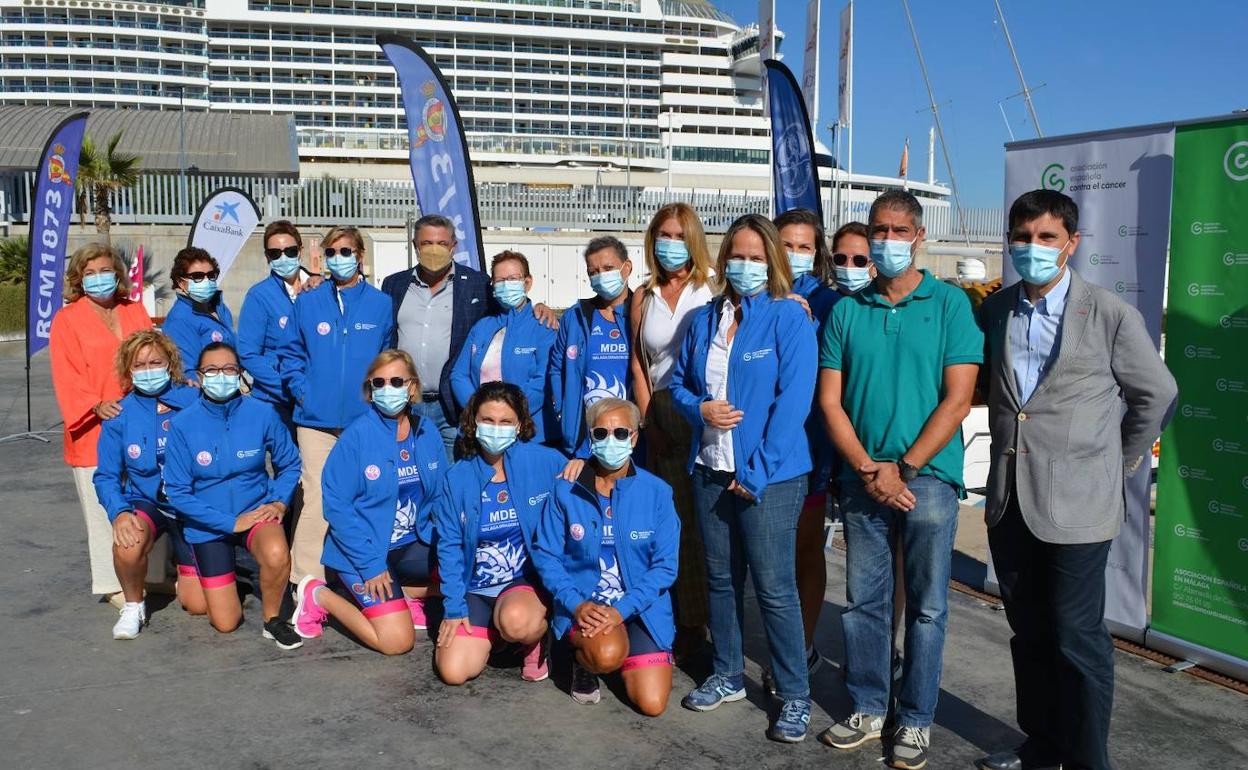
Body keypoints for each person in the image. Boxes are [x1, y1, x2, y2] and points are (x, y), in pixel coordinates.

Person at [975, 191, 1176, 770]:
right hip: (1010, 498)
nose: (1032, 248)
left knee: (1077, 638)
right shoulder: (996, 309)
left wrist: (1118, 460)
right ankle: (1041, 745)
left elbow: (1156, 394)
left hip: (1080, 506)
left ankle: (1089, 760)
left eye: (1045, 237)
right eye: (1022, 237)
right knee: (1029, 633)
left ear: (1072, 243)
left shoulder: (1109, 312)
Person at [816, 190, 982, 769]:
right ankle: (867, 704)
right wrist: (867, 467)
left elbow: (958, 399)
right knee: (864, 601)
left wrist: (904, 467)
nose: (887, 241)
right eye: (878, 230)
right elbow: (831, 402)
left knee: (929, 606)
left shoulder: (951, 304)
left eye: (898, 230)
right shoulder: (846, 310)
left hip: (926, 476)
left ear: (919, 236)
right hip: (863, 474)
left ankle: (915, 717)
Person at [669, 214, 817, 743]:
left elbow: (792, 404)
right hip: (711, 467)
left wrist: (754, 474)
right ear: (723, 258)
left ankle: (795, 694)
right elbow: (681, 387)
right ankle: (728, 673)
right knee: (720, 579)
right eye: (738, 255)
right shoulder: (706, 318)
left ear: (772, 261)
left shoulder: (787, 317)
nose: (746, 265)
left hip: (769, 477)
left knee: (775, 589)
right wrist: (701, 409)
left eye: (757, 257)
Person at [291, 350, 449, 653]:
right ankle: (318, 595)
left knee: (470, 572)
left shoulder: (427, 432)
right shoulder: (355, 438)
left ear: (413, 387)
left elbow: (441, 495)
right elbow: (337, 508)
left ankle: (406, 596)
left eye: (397, 381)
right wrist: (372, 566)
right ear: (370, 389)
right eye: (380, 382)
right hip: (364, 552)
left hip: (411, 545)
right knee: (397, 642)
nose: (388, 389)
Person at [531, 397, 680, 716]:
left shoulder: (658, 492)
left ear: (636, 436)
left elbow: (665, 567)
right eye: (600, 434)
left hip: (639, 607)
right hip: (586, 605)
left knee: (652, 704)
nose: (610, 441)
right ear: (589, 437)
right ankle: (582, 658)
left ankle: (629, 644)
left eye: (621, 433)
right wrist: (575, 603)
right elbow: (546, 554)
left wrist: (621, 611)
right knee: (606, 655)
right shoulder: (565, 490)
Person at [279, 226, 395, 599]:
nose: (339, 258)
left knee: (363, 497)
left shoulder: (379, 304)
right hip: (315, 421)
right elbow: (292, 355)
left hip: (364, 420)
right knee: (316, 497)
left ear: (360, 255)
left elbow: (387, 358)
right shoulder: (309, 301)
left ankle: (359, 572)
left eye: (346, 251)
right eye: (331, 252)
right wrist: (303, 392)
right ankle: (304, 581)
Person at [382, 215, 557, 459]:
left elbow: (542, 376)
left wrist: (539, 306)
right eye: (426, 243)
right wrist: (477, 408)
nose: (434, 249)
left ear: (454, 246)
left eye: (442, 243)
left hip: (453, 411)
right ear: (415, 246)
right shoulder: (394, 285)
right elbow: (460, 372)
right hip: (408, 401)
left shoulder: (476, 285)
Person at [164, 342, 302, 648]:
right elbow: (177, 491)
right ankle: (191, 572)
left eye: (229, 369)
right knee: (224, 622)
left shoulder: (262, 413)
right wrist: (230, 523)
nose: (221, 376)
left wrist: (279, 500)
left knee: (278, 553)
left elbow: (290, 464)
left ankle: (273, 620)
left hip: (255, 511)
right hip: (208, 524)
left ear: (240, 374)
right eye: (212, 370)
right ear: (199, 377)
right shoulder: (183, 424)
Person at [432, 381, 566, 685]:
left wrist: (580, 463)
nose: (496, 428)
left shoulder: (544, 461)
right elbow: (450, 546)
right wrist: (453, 608)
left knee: (517, 623)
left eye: (505, 421)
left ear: (519, 425)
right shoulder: (457, 477)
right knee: (454, 673)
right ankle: (495, 633)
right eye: (488, 420)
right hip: (475, 589)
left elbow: (579, 481)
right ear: (473, 422)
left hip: (521, 585)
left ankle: (531, 641)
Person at [627, 203, 715, 660]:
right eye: (662, 234)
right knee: (675, 522)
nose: (669, 244)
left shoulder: (714, 286)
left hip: (708, 410)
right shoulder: (643, 295)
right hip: (663, 412)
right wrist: (648, 420)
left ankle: (714, 618)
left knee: (710, 523)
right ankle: (686, 622)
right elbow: (639, 364)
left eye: (679, 235)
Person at [50, 243, 160, 605]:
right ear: (79, 279)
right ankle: (112, 582)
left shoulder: (134, 311)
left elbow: (153, 355)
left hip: (140, 419)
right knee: (103, 507)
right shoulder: (67, 319)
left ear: (118, 274)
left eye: (105, 271)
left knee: (148, 496)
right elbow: (66, 375)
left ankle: (154, 573)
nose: (99, 279)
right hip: (94, 427)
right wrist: (94, 405)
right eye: (90, 273)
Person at [93, 330, 204, 639]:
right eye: (139, 365)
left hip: (191, 506)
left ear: (170, 363)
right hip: (149, 502)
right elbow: (106, 476)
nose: (148, 370)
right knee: (127, 544)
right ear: (128, 370)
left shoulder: (195, 399)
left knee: (198, 605)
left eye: (155, 362)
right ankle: (133, 605)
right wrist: (119, 513)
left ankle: (188, 575)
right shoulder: (118, 414)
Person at [449, 250, 558, 443]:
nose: (506, 285)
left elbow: (543, 380)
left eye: (513, 278)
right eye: (500, 280)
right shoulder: (482, 326)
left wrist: (509, 412)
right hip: (481, 429)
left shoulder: (543, 326)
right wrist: (479, 410)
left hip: (528, 432)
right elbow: (459, 374)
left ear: (528, 282)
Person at [550, 235, 634, 457]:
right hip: (586, 437)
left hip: (633, 436)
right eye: (593, 272)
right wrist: (563, 411)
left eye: (608, 268)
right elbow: (557, 368)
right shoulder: (575, 317)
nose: (601, 276)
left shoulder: (643, 313)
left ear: (626, 268)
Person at [237, 220, 321, 429]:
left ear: (300, 251)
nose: (283, 258)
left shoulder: (321, 288)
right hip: (277, 401)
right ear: (267, 257)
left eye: (290, 251)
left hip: (318, 397)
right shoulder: (259, 296)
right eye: (275, 253)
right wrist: (291, 389)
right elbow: (248, 354)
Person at [161, 247, 236, 371]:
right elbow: (188, 371)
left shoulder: (219, 307)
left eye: (211, 275)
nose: (206, 280)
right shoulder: (179, 319)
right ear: (180, 282)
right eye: (197, 276)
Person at [776, 207, 840, 323]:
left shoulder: (831, 302)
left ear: (816, 253)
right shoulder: (755, 294)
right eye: (786, 245)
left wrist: (808, 324)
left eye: (804, 247)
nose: (794, 254)